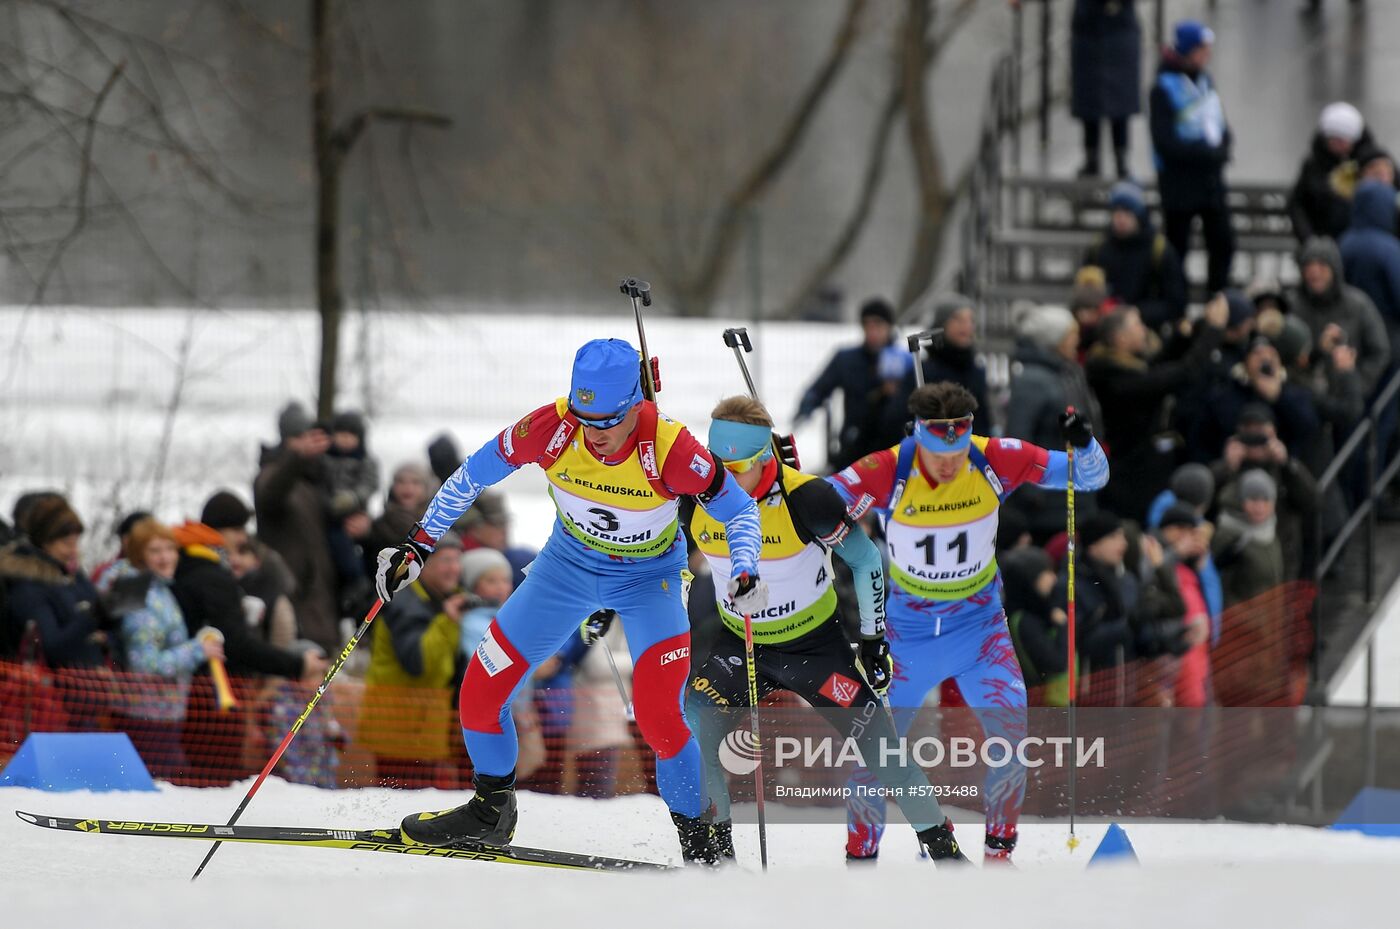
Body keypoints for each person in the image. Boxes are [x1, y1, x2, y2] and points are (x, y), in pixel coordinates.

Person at [375, 338, 766, 865]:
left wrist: (744, 566)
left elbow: (741, 513)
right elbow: (471, 476)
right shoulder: (551, 426)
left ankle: (706, 842)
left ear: (636, 406)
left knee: (658, 719)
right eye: (586, 419)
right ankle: (491, 813)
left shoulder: (672, 449)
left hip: (648, 581)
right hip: (565, 570)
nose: (595, 433)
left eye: (608, 421)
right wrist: (419, 544)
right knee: (480, 692)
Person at [827, 382, 1109, 865]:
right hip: (907, 637)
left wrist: (1085, 442)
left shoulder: (994, 457)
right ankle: (861, 856)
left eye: (957, 453)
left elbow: (1088, 478)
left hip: (980, 631)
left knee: (1011, 742)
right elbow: (818, 503)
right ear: (918, 436)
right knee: (874, 755)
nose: (948, 465)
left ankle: (999, 853)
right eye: (938, 455)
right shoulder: (890, 467)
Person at [683, 396, 963, 864]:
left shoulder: (806, 498)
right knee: (694, 734)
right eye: (718, 465)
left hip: (814, 648)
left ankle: (943, 847)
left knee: (881, 749)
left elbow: (866, 559)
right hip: (742, 642)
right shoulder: (696, 496)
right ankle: (715, 857)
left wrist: (873, 639)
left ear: (766, 457)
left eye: (739, 467)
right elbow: (671, 561)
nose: (724, 480)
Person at [97, 517, 223, 780]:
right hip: (145, 716)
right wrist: (199, 650)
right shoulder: (141, 596)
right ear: (139, 556)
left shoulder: (157, 589)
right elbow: (145, 663)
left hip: (161, 713)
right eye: (155, 551)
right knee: (166, 792)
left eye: (170, 549)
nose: (166, 557)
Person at [1086, 297, 1229, 522]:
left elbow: (1155, 367)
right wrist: (1214, 330)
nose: (1144, 330)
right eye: (1137, 326)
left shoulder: (1120, 367)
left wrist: (1182, 337)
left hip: (1145, 467)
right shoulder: (1117, 381)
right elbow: (1181, 374)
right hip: (1133, 477)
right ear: (1121, 338)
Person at [360, 532, 467, 789]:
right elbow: (418, 663)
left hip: (423, 727)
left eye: (457, 560)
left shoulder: (440, 599)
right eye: (446, 561)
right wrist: (448, 622)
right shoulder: (405, 602)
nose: (454, 569)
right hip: (398, 729)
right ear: (425, 564)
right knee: (396, 806)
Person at [1150, 20, 1234, 293]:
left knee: (1223, 242)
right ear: (1188, 50)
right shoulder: (1163, 87)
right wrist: (1207, 154)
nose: (1206, 55)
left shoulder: (1205, 80)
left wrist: (1224, 146)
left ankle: (1217, 302)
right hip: (1179, 184)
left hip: (1210, 182)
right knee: (1177, 249)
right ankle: (1177, 310)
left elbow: (1219, 122)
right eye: (1202, 49)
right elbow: (1165, 142)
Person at [1007, 304, 1102, 541]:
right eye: (1071, 335)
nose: (1076, 340)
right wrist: (1029, 491)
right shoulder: (1033, 381)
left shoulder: (1068, 372)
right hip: (1048, 502)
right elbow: (1019, 436)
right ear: (1055, 339)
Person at [253, 403, 341, 652]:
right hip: (292, 596)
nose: (306, 444)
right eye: (299, 438)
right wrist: (297, 459)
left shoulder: (314, 481)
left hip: (320, 594)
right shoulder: (272, 474)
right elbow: (270, 496)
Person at [795, 298, 913, 471]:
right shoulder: (847, 360)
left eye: (878, 325)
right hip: (854, 444)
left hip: (895, 447)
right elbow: (819, 388)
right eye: (867, 325)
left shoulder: (906, 361)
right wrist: (807, 407)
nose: (872, 331)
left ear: (889, 326)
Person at [1210, 407, 1319, 583]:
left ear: (1273, 433)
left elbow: (1313, 501)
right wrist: (1226, 467)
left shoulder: (1285, 469)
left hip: (1281, 557)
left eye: (1260, 435)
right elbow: (1205, 504)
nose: (1255, 442)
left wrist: (1287, 464)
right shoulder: (1228, 468)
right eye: (1249, 435)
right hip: (1234, 566)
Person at [0, 496, 109, 669]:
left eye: (76, 543)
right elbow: (52, 647)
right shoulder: (28, 588)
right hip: (53, 690)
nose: (74, 551)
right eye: (66, 544)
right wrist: (91, 616)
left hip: (89, 680)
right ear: (44, 541)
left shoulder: (74, 576)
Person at [1290, 237, 1391, 397]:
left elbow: (1380, 351)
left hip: (1350, 402)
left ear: (1334, 269)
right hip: (1306, 401)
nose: (1314, 272)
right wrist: (1318, 350)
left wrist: (1357, 385)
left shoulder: (1358, 304)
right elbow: (1290, 360)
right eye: (1308, 265)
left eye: (1322, 265)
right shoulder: (1295, 307)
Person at [1084, 182, 1188, 332]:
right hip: (1104, 330)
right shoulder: (1099, 248)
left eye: (1127, 211)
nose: (1121, 218)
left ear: (1139, 215)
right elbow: (1084, 292)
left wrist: (1137, 312)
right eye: (1116, 211)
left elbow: (1176, 303)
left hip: (1146, 330)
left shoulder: (1159, 250)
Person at [1069, 0, 1141, 179]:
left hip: (1119, 32)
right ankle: (1091, 160)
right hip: (1088, 32)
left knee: (1121, 105)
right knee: (1089, 103)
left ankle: (1121, 160)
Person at [1288, 102, 1376, 244]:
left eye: (1343, 140)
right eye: (1333, 139)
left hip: (1361, 243)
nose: (1338, 145)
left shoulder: (1372, 164)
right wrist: (1308, 239)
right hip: (1322, 243)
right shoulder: (1313, 166)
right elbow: (1298, 205)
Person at [1155, 504, 1213, 707]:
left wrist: (1199, 561)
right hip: (1170, 654)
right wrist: (1176, 553)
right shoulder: (1157, 553)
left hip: (1194, 656)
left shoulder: (1189, 565)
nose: (1189, 540)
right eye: (1185, 532)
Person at [1003, 546, 1070, 706]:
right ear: (1030, 579)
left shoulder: (1034, 612)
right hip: (1037, 708)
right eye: (1046, 572)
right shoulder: (1026, 621)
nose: (1053, 578)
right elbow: (1057, 663)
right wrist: (1063, 627)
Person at [912, 295, 991, 423]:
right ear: (941, 325)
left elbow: (983, 421)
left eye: (971, 320)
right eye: (958, 319)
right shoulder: (921, 372)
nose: (967, 326)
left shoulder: (976, 371)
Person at [1212, 470, 1284, 608]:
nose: (1260, 507)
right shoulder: (1229, 535)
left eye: (1266, 500)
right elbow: (1220, 586)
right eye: (1253, 499)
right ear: (1241, 500)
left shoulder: (1270, 529)